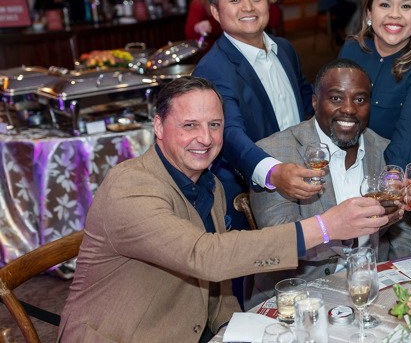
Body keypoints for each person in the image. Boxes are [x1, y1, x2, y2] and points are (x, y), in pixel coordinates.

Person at [57, 77, 390, 342]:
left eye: (215, 125)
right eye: (189, 125)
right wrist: (325, 225)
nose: (205, 138)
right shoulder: (130, 187)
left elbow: (219, 286)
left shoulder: (210, 184)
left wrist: (238, 329)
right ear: (158, 126)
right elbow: (207, 257)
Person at [246, 59, 411, 308]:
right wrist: (352, 229)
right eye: (336, 98)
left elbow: (403, 233)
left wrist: (398, 281)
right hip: (299, 295)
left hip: (374, 288)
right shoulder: (274, 155)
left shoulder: (385, 152)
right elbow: (278, 240)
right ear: (315, 102)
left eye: (360, 100)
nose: (349, 109)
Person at [193, 0, 320, 235]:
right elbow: (229, 133)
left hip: (299, 182)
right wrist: (273, 172)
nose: (248, 7)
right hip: (246, 194)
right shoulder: (213, 68)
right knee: (259, 273)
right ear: (216, 11)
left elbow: (305, 97)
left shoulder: (284, 49)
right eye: (235, 0)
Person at [338, 0, 411, 169]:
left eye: (406, 6)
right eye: (385, 4)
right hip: (343, 161)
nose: (395, 14)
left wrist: (392, 179)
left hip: (387, 168)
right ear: (369, 14)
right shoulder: (351, 50)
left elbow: (408, 135)